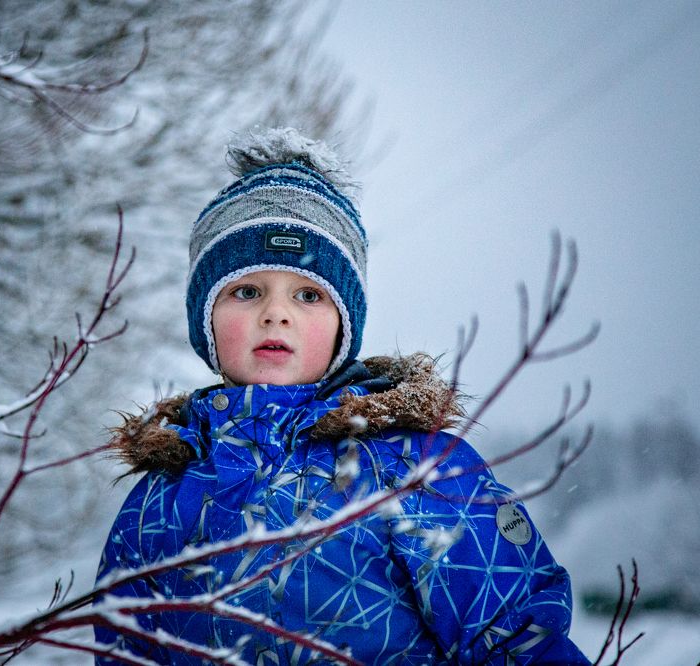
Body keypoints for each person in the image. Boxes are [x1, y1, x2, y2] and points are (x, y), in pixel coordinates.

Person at [93, 127, 589, 664]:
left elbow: (515, 635)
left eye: (308, 295)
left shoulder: (412, 467)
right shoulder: (159, 499)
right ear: (206, 320)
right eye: (246, 290)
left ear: (343, 325)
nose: (275, 313)